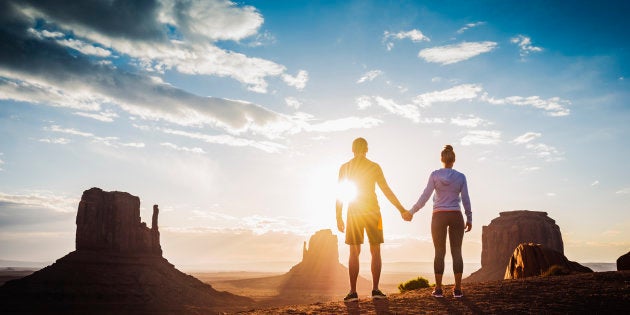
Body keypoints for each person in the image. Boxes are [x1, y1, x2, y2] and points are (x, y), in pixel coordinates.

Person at [336, 137, 411, 301]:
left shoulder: (345, 167)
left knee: (354, 251)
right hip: (373, 212)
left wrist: (338, 217)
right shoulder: (374, 166)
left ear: (352, 149)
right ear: (367, 149)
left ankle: (352, 292)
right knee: (375, 250)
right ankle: (376, 290)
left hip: (354, 212)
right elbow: (386, 190)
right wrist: (401, 209)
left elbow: (340, 194)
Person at [407, 145, 472, 298]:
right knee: (457, 252)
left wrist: (412, 211)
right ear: (454, 160)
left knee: (439, 252)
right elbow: (466, 199)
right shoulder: (461, 177)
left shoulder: (435, 175)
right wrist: (469, 217)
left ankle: (438, 289)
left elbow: (425, 196)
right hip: (456, 215)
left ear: (441, 159)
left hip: (438, 216)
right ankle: (457, 289)